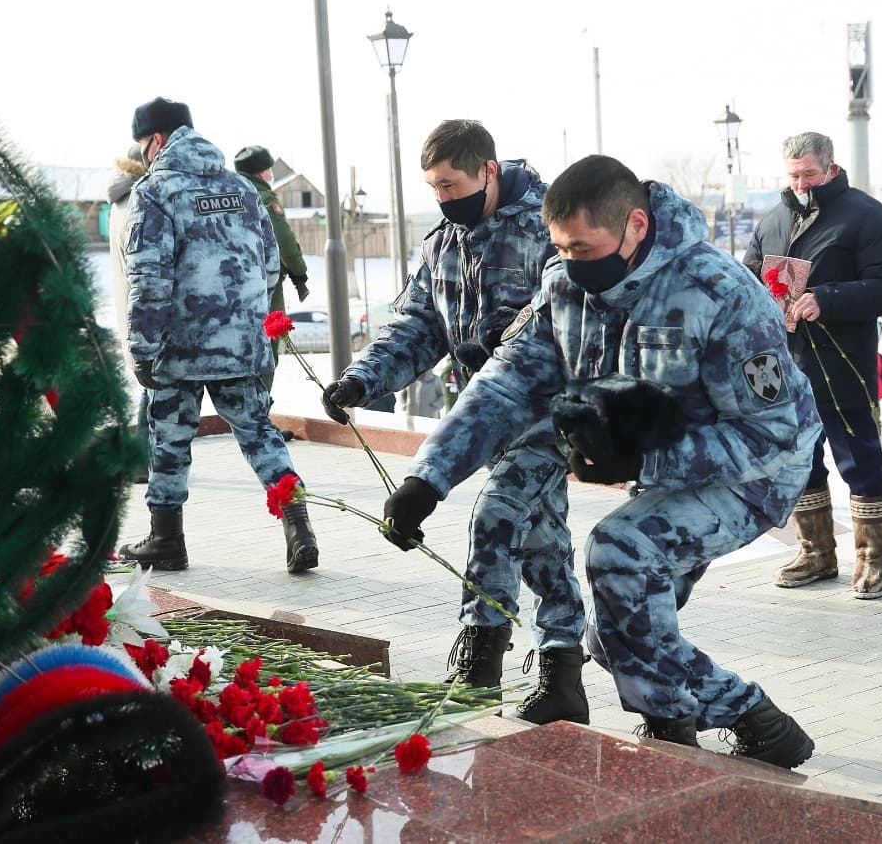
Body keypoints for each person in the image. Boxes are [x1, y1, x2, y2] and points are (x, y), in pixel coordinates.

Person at [380, 154, 823, 769]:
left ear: (635, 225)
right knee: (621, 635)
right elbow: (508, 384)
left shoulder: (718, 292)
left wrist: (646, 456)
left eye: (583, 248)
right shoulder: (564, 285)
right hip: (674, 471)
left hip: (756, 471)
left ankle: (691, 726)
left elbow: (770, 434)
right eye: (560, 248)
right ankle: (757, 727)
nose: (570, 262)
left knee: (619, 553)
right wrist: (428, 478)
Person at [320, 119, 589, 726]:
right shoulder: (443, 243)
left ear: (488, 171)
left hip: (550, 410)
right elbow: (418, 327)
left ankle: (478, 668)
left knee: (495, 517)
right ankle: (562, 672)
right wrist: (363, 380)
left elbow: (583, 316)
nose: (442, 196)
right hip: (483, 413)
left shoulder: (548, 230)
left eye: (450, 182)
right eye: (432, 186)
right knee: (542, 540)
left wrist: (524, 331)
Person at [117, 97, 319, 575]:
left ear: (157, 141)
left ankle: (167, 539)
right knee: (259, 434)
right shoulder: (242, 187)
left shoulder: (155, 191)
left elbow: (149, 278)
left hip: (179, 346)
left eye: (144, 145)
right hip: (242, 344)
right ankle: (300, 528)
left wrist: (141, 349)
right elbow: (270, 266)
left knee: (168, 439)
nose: (144, 155)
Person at [745, 132, 882, 599]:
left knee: (861, 462)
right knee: (799, 462)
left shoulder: (866, 215)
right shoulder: (772, 220)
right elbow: (748, 277)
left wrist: (826, 299)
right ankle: (816, 553)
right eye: (793, 174)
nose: (800, 183)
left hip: (843, 365)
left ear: (831, 168)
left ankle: (874, 561)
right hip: (783, 368)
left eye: (809, 174)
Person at [233, 145, 309, 399]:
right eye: (268, 170)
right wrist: (300, 274)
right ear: (262, 173)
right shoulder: (264, 198)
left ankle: (247, 411)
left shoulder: (232, 195)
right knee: (267, 345)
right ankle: (260, 412)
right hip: (266, 282)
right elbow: (283, 240)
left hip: (235, 285)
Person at [107, 143, 149, 482]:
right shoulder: (139, 198)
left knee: (151, 388)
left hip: (130, 305)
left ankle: (138, 460)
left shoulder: (120, 198)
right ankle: (138, 461)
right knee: (153, 389)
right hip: (145, 309)